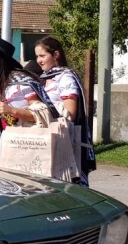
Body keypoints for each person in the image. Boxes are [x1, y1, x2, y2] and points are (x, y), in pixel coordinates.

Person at [34, 36, 95, 185]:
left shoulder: (65, 78)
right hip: (47, 138)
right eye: (37, 56)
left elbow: (70, 113)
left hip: (65, 140)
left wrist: (40, 111)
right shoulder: (44, 77)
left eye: (42, 56)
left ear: (56, 55)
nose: (39, 60)